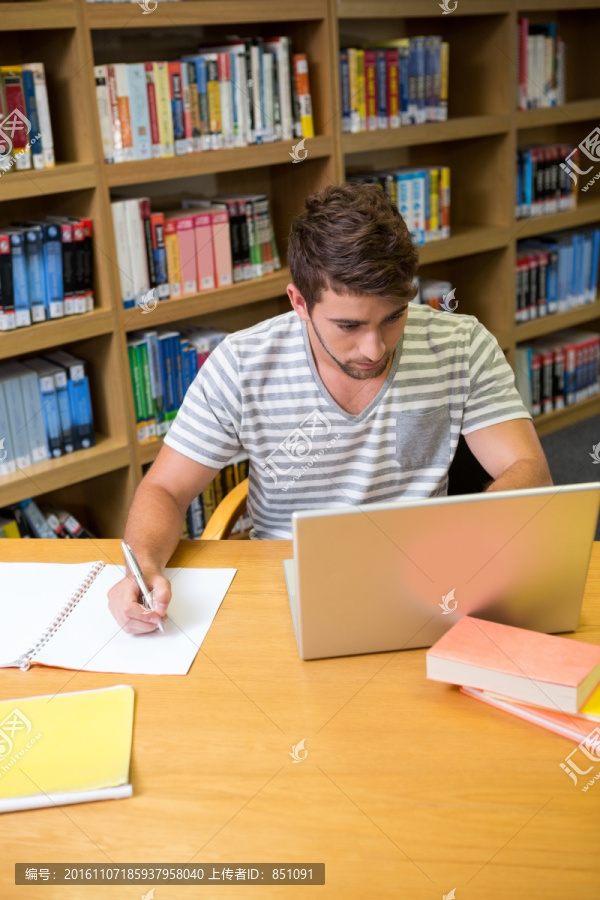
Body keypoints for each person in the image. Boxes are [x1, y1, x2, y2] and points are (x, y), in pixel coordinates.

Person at [108, 182, 552, 633]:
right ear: (299, 302)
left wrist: (467, 543)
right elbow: (165, 488)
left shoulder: (461, 345)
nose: (374, 347)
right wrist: (141, 567)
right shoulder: (242, 363)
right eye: (348, 325)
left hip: (427, 588)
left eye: (394, 316)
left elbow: (528, 467)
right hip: (289, 587)